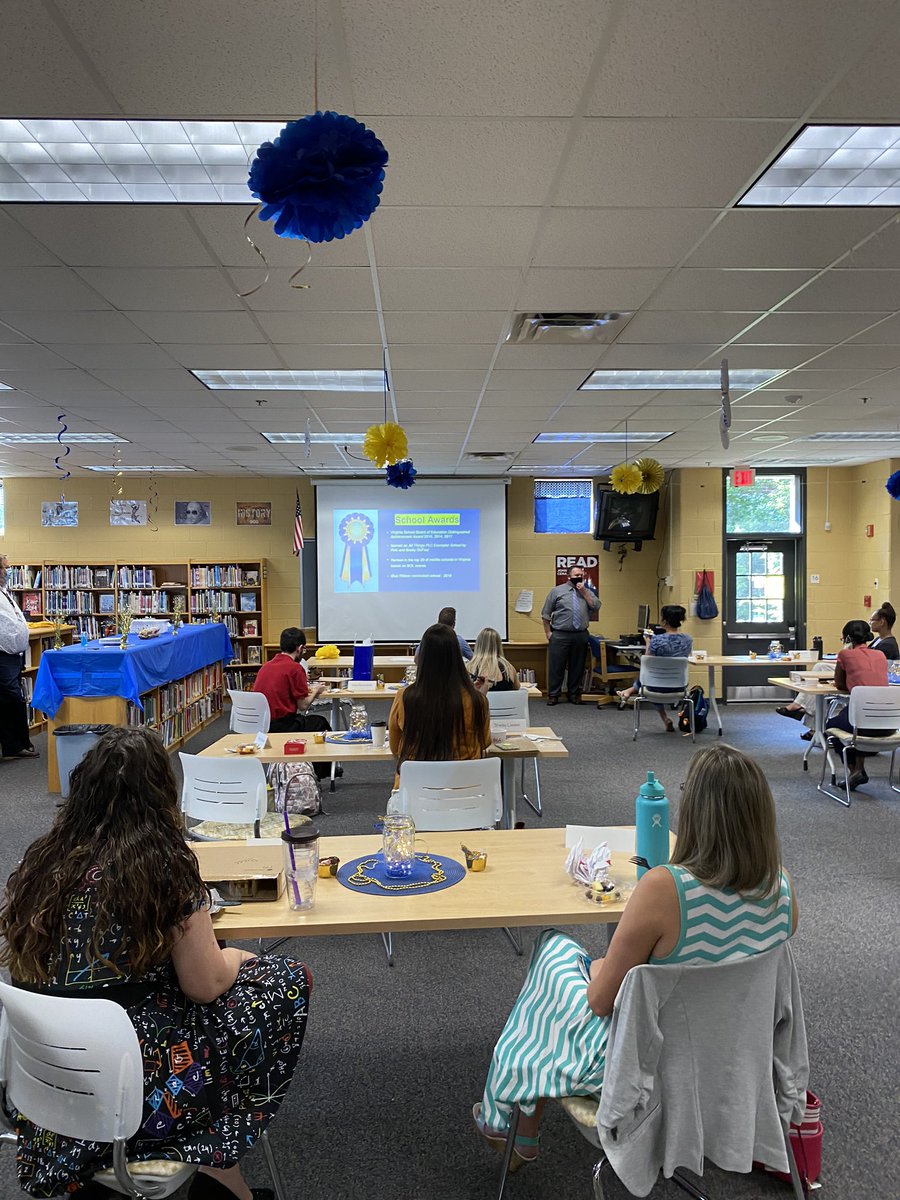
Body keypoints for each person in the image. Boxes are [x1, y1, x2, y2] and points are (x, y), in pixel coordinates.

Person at [0, 726, 310, 1200]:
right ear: (161, 794)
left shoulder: (43, 861)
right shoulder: (164, 866)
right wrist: (239, 957)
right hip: (130, 1077)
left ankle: (218, 1173)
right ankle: (214, 1155)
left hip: (47, 1076)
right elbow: (204, 983)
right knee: (282, 980)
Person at [473, 743, 797, 1173]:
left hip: (644, 1068)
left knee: (553, 952)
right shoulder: (782, 890)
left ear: (696, 810)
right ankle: (519, 1121)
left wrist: (598, 968)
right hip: (733, 1060)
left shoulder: (666, 890)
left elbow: (601, 1002)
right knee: (569, 963)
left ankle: (513, 1121)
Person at [389, 622, 491, 790]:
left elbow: (396, 748)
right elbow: (484, 742)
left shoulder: (405, 697)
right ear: (456, 657)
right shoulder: (477, 701)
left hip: (415, 793)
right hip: (466, 793)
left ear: (423, 657)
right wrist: (479, 696)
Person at [252, 627, 331, 780]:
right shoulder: (295, 668)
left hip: (261, 727)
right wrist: (316, 690)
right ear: (300, 648)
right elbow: (303, 706)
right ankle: (316, 775)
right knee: (320, 724)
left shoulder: (265, 667)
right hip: (283, 726)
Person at [825, 618, 891, 790]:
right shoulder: (881, 655)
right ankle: (858, 770)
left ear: (847, 639)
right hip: (889, 724)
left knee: (832, 725)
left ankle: (854, 769)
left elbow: (839, 684)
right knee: (854, 721)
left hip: (862, 722)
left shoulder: (845, 654)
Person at [616, 604, 692, 732]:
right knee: (657, 679)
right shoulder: (688, 640)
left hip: (655, 686)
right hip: (679, 686)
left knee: (650, 679)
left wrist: (648, 643)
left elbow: (647, 661)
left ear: (665, 621)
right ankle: (629, 691)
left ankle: (630, 692)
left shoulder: (657, 640)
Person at [541, 567, 600, 705]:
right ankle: (554, 694)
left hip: (580, 634)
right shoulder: (557, 591)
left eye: (581, 575)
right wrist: (548, 633)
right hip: (560, 634)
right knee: (557, 666)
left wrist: (584, 591)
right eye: (576, 575)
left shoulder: (587, 591)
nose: (579, 577)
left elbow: (595, 606)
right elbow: (545, 614)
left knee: (577, 666)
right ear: (569, 576)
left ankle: (573, 694)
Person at [0, 554, 39, 760]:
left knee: (12, 698)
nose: (6, 572)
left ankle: (14, 745)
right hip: (2, 655)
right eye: (4, 568)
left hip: (13, 654)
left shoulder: (4, 592)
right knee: (12, 697)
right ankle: (15, 745)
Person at [468, 627, 520, 692]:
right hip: (503, 702)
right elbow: (517, 689)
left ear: (478, 645)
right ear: (498, 645)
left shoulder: (468, 668)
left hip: (477, 702)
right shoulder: (509, 668)